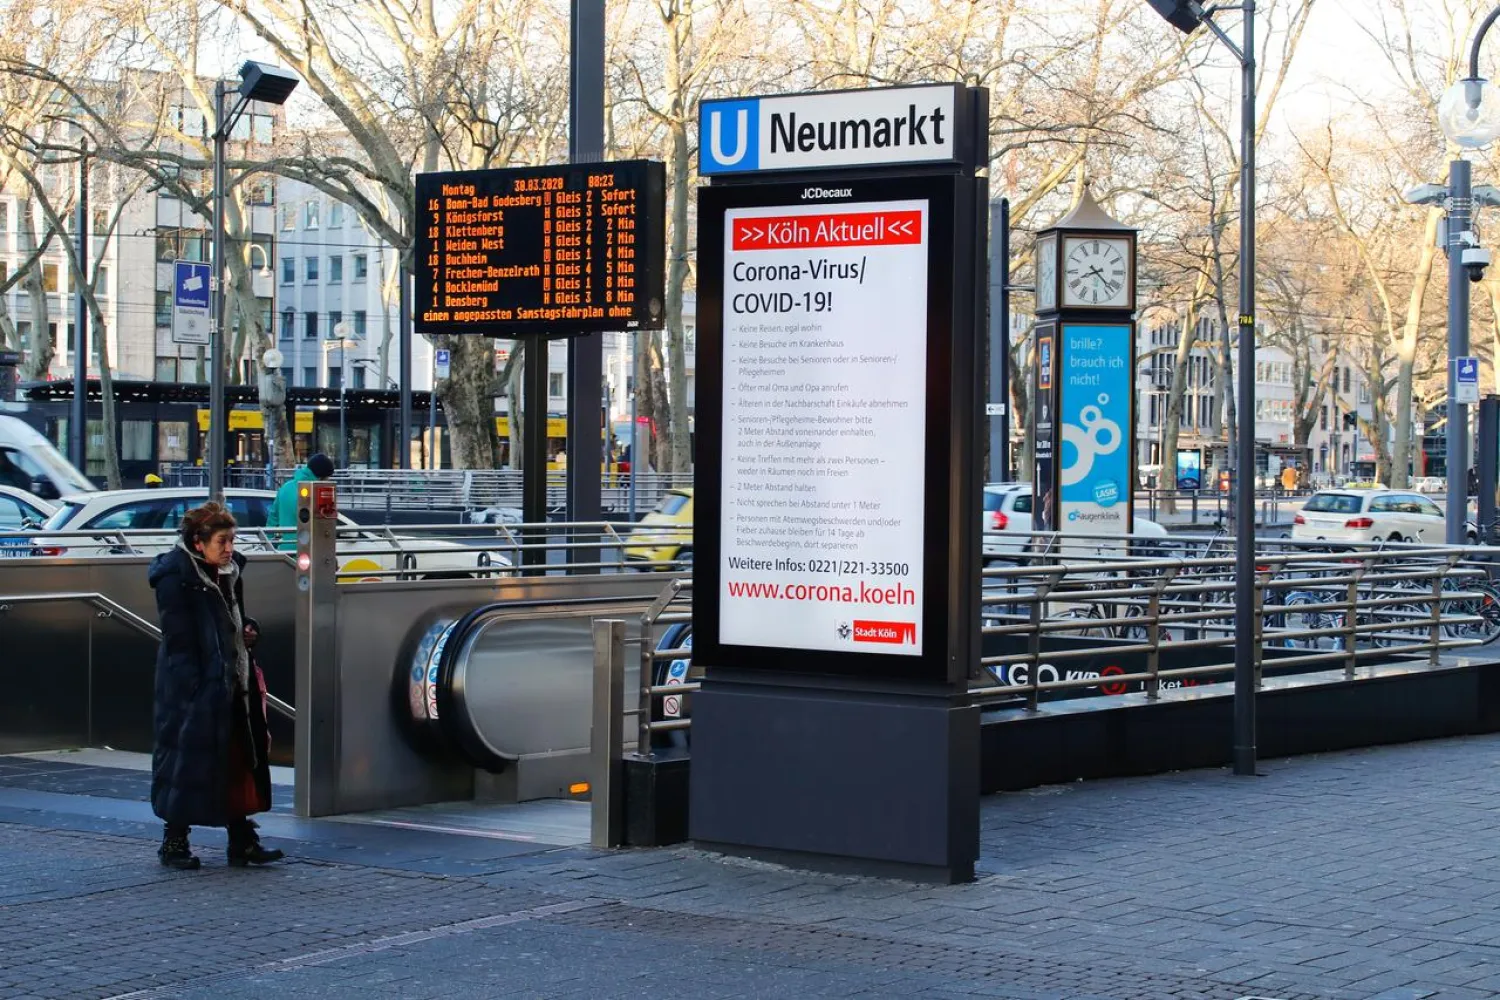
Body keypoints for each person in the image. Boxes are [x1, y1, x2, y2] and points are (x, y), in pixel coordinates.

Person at [148, 502, 283, 869]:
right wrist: (195, 688)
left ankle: (241, 838)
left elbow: (232, 618)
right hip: (194, 687)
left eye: (231, 539)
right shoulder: (177, 579)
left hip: (232, 678)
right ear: (198, 542)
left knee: (237, 758)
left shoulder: (229, 572)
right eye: (222, 540)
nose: (229, 547)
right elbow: (179, 642)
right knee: (186, 761)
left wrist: (248, 630)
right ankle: (174, 841)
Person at [267, 452, 334, 529]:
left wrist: (268, 538)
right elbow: (325, 524)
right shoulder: (318, 492)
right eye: (328, 478)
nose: (329, 481)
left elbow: (273, 518)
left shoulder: (285, 487)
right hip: (311, 540)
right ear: (321, 477)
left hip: (286, 540)